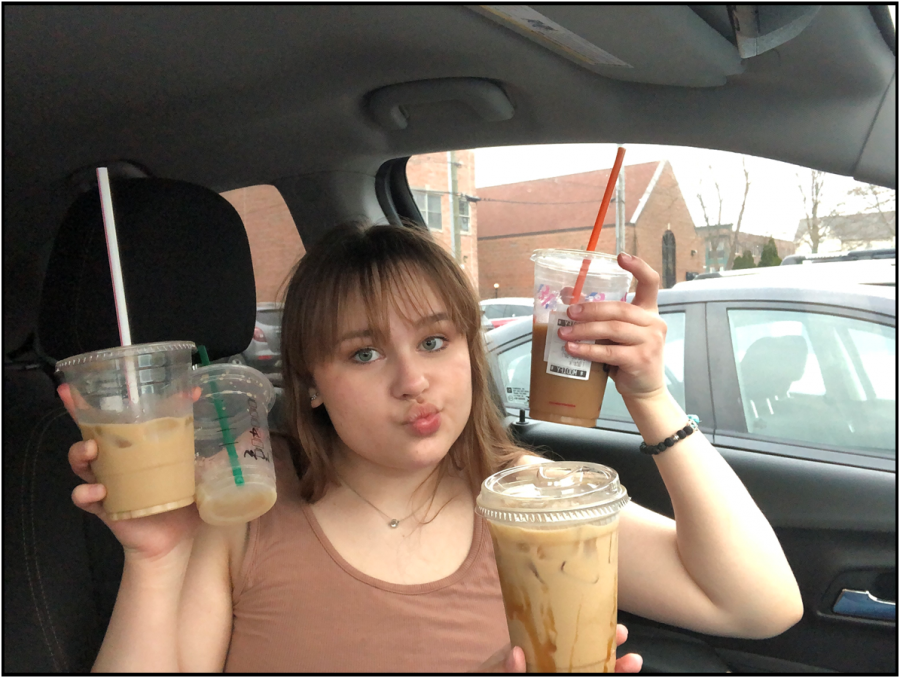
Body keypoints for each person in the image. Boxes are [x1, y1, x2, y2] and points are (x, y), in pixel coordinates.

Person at [63, 221, 803, 672]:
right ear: (310, 382)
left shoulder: (525, 498)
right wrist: (154, 560)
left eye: (435, 340)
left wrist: (649, 397)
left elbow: (758, 606)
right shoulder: (244, 498)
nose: (414, 381)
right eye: (362, 354)